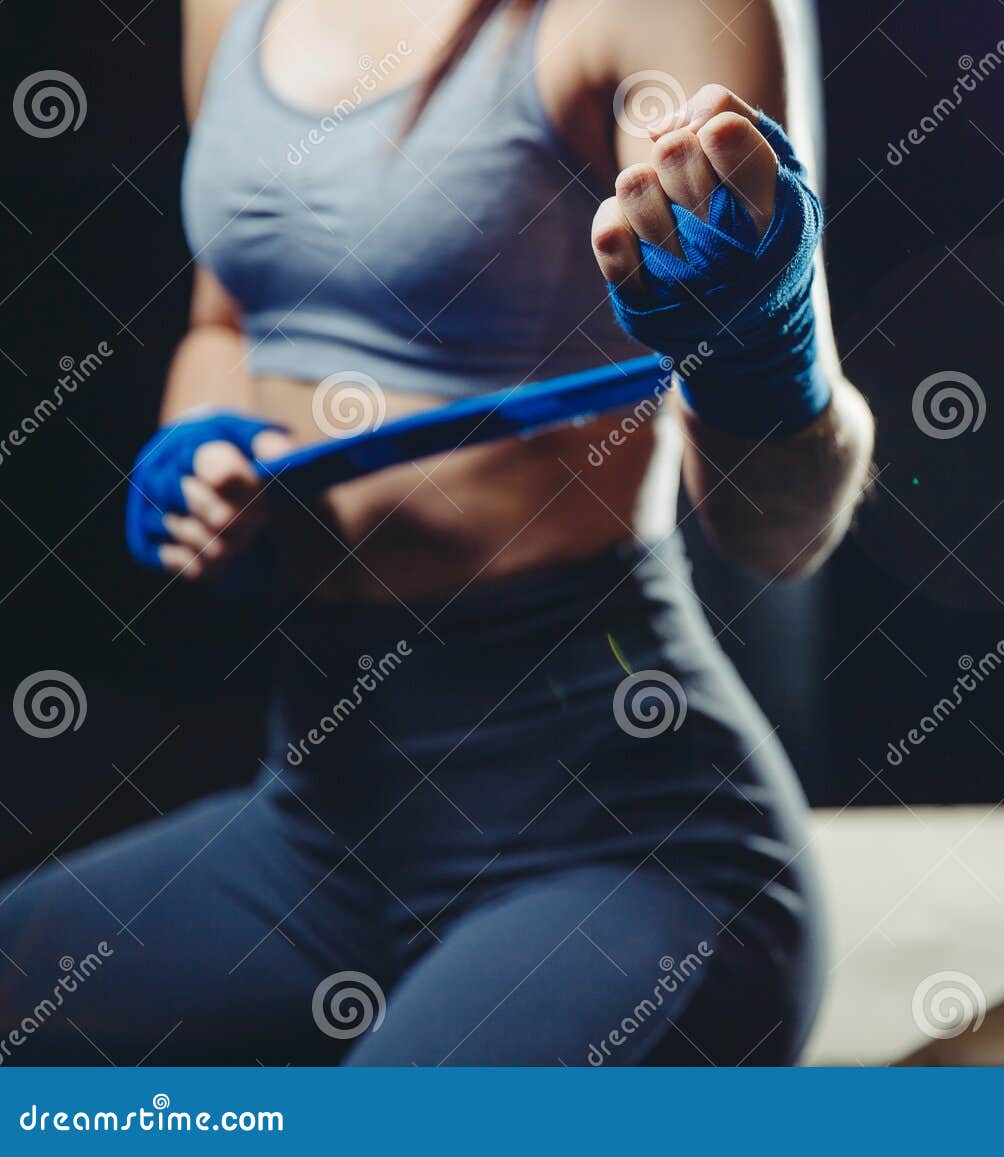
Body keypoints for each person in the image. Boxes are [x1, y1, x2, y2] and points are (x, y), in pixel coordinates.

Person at [0, 0, 873, 1065]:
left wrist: (758, 353)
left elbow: (782, 536)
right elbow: (229, 322)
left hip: (619, 836)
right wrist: (198, 447)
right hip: (320, 818)